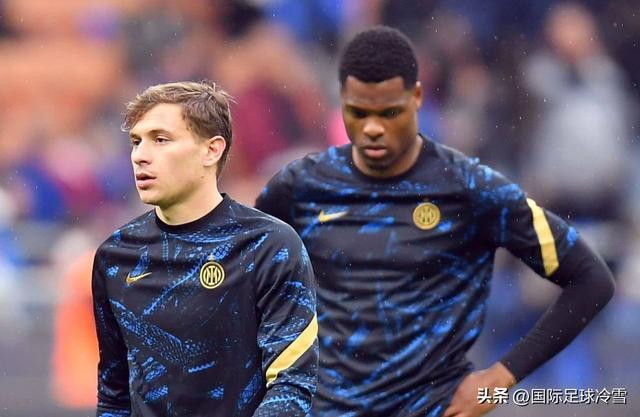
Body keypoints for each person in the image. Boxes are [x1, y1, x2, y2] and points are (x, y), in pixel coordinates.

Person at [255, 26, 615, 417]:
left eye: (389, 112)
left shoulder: (470, 189)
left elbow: (590, 279)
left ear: (417, 98)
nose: (373, 127)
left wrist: (500, 377)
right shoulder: (300, 187)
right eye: (359, 112)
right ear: (342, 100)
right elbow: (243, 285)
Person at [92, 80, 318, 417]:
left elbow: (293, 384)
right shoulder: (115, 256)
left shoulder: (270, 246)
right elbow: (114, 398)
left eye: (160, 139)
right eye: (136, 141)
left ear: (211, 150)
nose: (140, 155)